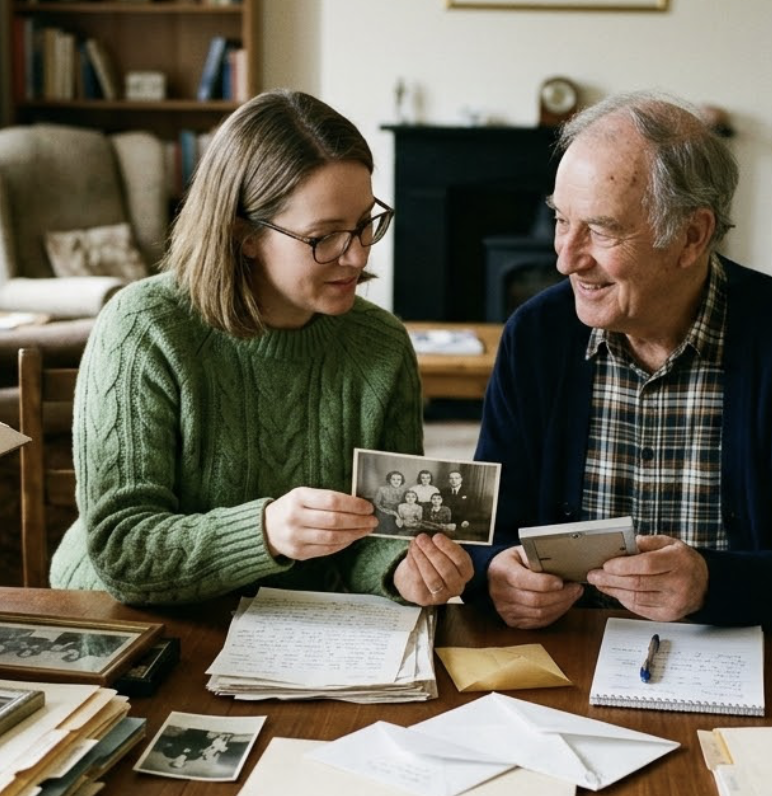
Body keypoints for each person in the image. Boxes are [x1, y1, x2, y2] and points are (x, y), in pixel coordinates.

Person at [470, 90, 772, 630]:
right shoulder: (536, 336)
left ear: (692, 235)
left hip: (740, 660)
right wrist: (493, 573)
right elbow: (482, 532)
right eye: (561, 220)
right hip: (568, 654)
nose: (565, 257)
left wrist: (710, 583)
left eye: (601, 228)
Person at [48, 89, 472, 607]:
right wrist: (265, 531)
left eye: (365, 224)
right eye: (325, 236)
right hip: (131, 615)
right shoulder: (144, 327)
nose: (357, 255)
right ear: (244, 234)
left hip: (300, 623)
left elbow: (380, 531)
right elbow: (123, 550)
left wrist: (403, 568)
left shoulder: (381, 344)